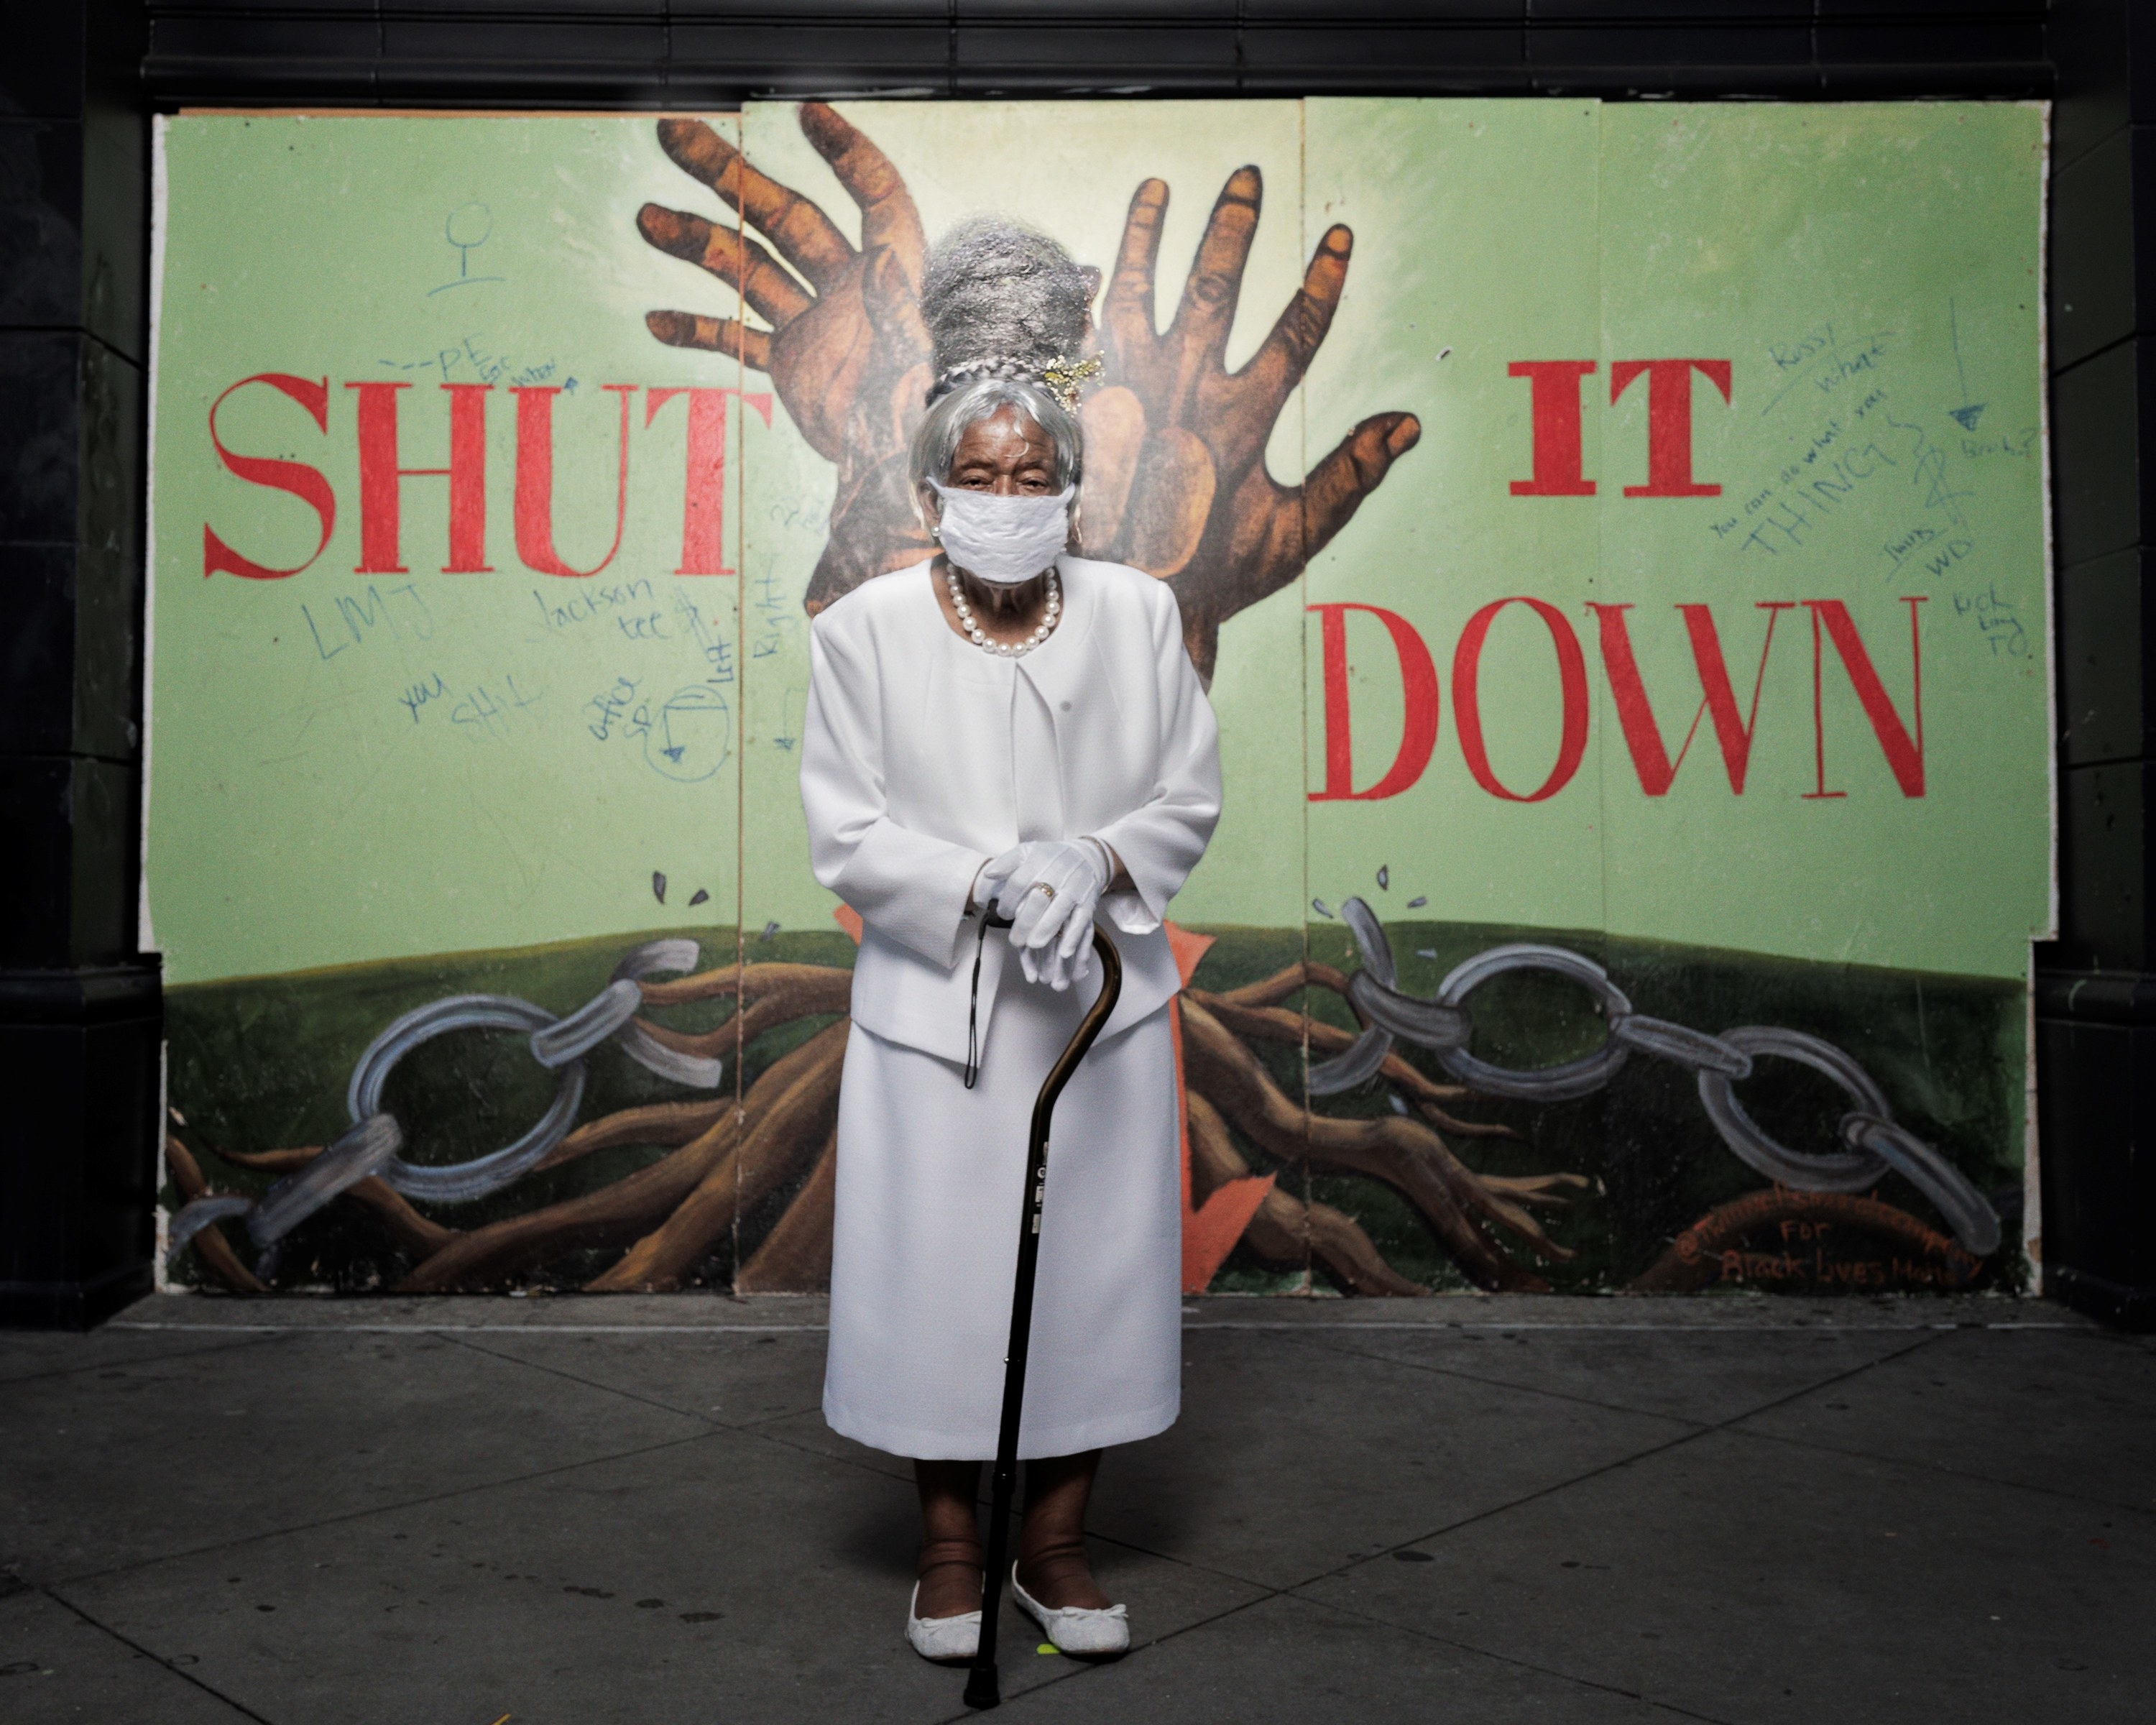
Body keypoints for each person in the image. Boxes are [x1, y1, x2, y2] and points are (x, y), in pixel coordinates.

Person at [798, 217, 1222, 1662]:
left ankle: (1057, 1545)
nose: (1003, 497)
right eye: (976, 477)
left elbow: (1188, 795)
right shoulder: (861, 634)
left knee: (1091, 1278)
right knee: (938, 1276)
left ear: (1070, 490)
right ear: (929, 492)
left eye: (1031, 476)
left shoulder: (1139, 617)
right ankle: (949, 1544)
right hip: (933, 1021)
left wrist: (1091, 861)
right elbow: (844, 834)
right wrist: (982, 882)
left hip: (1099, 1014)